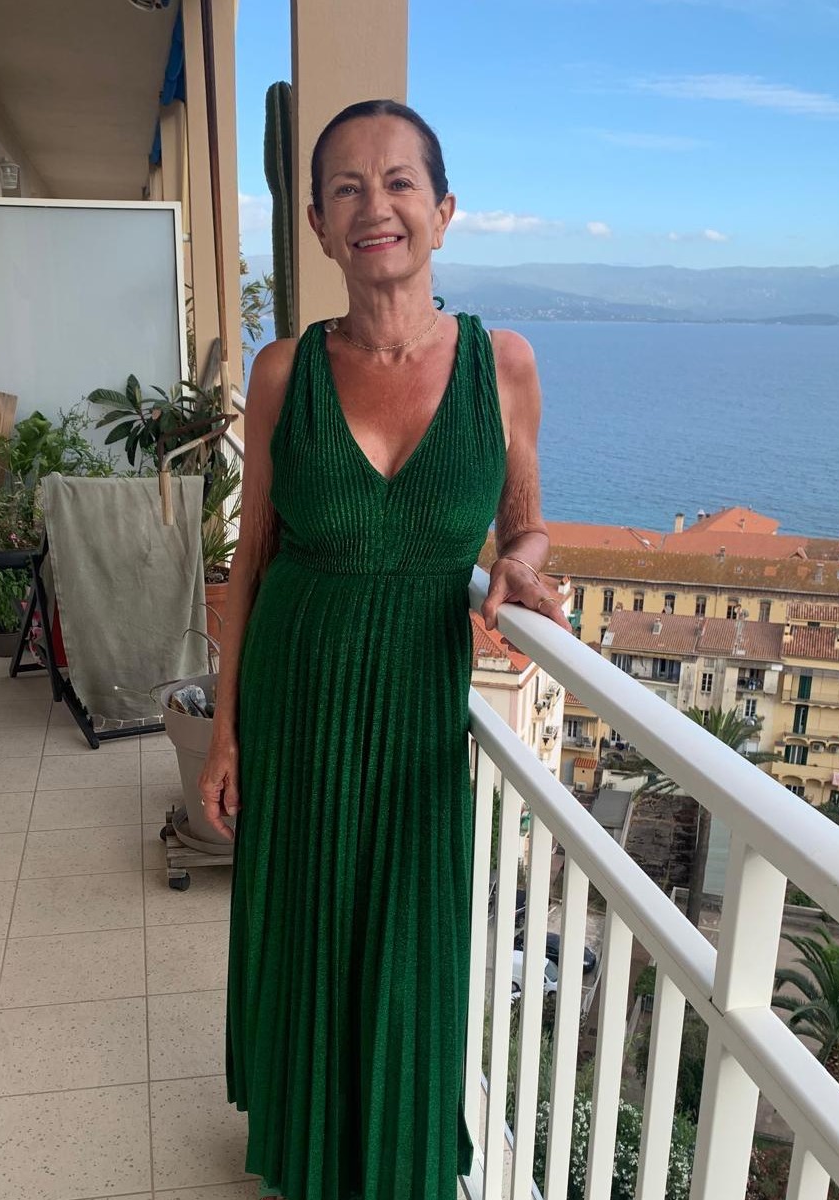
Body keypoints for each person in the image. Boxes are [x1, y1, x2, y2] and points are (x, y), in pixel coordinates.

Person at [198, 98, 570, 1200]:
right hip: (299, 691)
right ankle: (307, 1154)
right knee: (308, 930)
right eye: (347, 188)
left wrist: (519, 567)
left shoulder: (502, 365)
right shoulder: (283, 373)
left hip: (417, 706)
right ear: (318, 224)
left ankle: (394, 1161)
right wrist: (225, 734)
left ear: (443, 212)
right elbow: (252, 559)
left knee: (410, 939)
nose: (377, 206)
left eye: (400, 182)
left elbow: (526, 523)